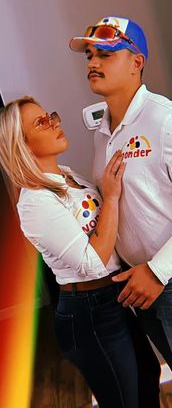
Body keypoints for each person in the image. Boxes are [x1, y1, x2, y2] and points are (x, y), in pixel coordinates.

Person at [69, 15, 172, 407]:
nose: (93, 62)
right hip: (140, 285)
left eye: (107, 54)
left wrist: (158, 270)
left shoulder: (168, 121)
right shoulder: (104, 130)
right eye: (90, 54)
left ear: (137, 62)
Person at [0, 96, 161, 408]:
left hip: (113, 298)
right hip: (88, 313)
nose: (55, 122)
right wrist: (111, 197)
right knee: (125, 400)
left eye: (50, 115)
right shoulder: (35, 202)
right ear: (24, 145)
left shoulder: (68, 175)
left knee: (147, 376)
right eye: (41, 123)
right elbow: (91, 262)